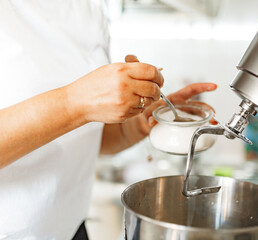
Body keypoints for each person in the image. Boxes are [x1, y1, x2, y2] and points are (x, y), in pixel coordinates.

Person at [0, 0, 217, 239]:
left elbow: (84, 138)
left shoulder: (90, 8)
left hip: (70, 228)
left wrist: (137, 123)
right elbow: (77, 107)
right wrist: (76, 102)